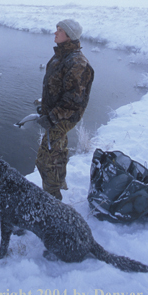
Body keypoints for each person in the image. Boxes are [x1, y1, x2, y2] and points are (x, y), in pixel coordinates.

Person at [35, 19, 94, 200]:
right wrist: (45, 108)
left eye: (59, 30)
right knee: (56, 152)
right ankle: (57, 186)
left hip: (64, 118)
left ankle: (52, 200)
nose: (55, 33)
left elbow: (73, 102)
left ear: (69, 36)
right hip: (56, 114)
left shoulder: (77, 62)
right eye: (56, 29)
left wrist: (53, 117)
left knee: (46, 160)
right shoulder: (60, 56)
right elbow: (56, 88)